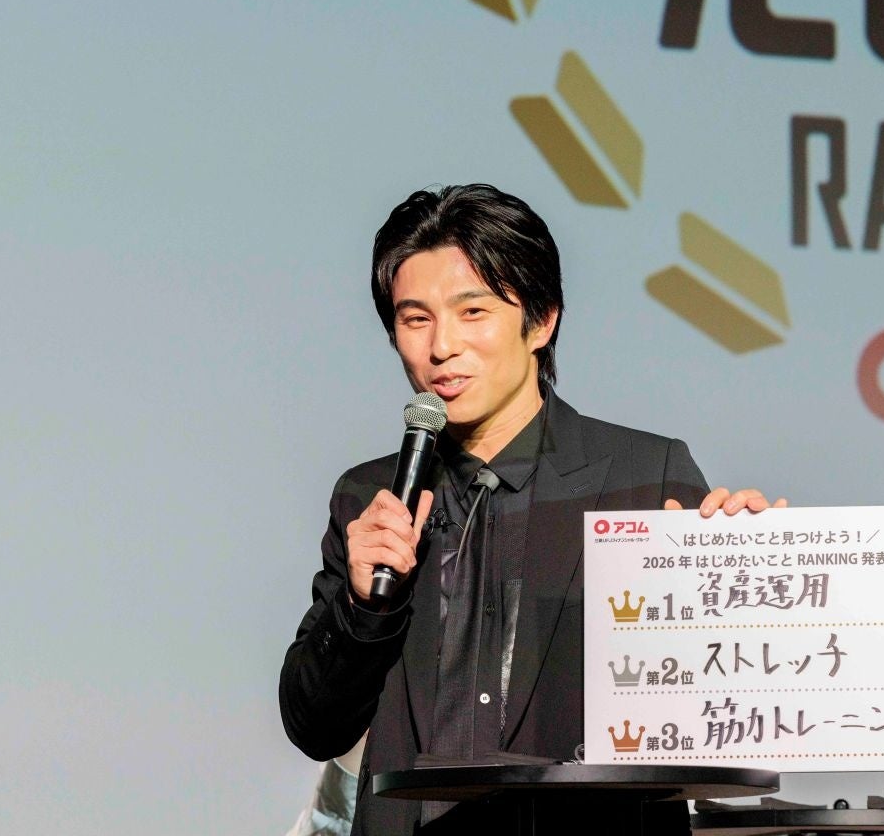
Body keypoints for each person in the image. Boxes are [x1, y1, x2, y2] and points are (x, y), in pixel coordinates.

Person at [279, 184, 784, 834]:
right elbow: (314, 726)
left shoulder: (643, 478)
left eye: (472, 312)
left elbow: (719, 709)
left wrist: (741, 582)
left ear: (541, 320)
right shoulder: (372, 496)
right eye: (415, 319)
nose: (441, 347)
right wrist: (361, 607)